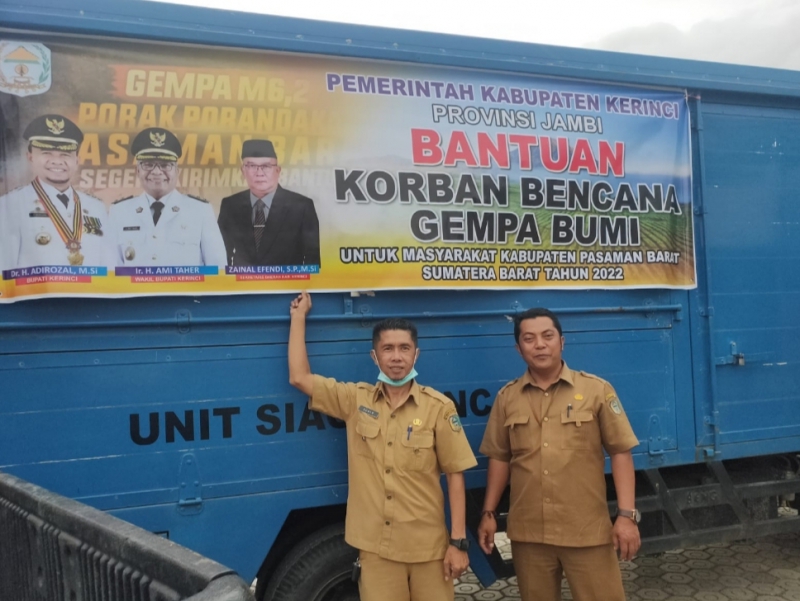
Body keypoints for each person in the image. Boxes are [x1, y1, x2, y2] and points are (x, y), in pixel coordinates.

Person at [288, 291, 477, 601]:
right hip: (376, 551)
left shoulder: (438, 408)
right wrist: (299, 318)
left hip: (428, 549)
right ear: (374, 356)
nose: (396, 357)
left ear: (416, 355)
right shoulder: (355, 400)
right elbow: (300, 377)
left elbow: (455, 476)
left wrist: (458, 543)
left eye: (404, 348)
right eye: (387, 349)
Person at [478, 308, 640, 601]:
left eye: (547, 336)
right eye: (529, 338)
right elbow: (500, 458)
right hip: (529, 536)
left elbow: (621, 452)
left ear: (562, 342)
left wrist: (626, 516)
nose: (539, 344)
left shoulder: (596, 390)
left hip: (585, 531)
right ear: (518, 348)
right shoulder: (508, 398)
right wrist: (488, 513)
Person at [0, 114, 114, 271]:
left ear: (77, 160)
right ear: (31, 157)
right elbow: (4, 270)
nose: (56, 161)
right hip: (38, 295)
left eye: (65, 154)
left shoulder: (96, 207)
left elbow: (110, 266)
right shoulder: (10, 204)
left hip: (90, 295)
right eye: (47, 153)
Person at [108, 127, 226, 267]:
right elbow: (110, 272)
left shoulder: (200, 211)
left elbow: (218, 270)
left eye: (165, 165)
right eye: (148, 164)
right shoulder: (119, 212)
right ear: (137, 170)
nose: (157, 172)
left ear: (177, 171)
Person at [217, 139, 320, 267]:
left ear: (278, 170)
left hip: (287, 285)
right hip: (243, 284)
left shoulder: (301, 206)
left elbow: (312, 258)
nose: (259, 173)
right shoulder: (230, 205)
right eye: (252, 166)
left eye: (266, 166)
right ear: (243, 171)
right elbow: (220, 253)